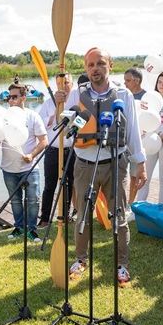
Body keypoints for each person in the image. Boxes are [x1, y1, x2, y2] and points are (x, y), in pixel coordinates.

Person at [60, 48, 146, 285]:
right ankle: (80, 259)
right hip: (84, 163)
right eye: (90, 65)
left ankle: (122, 265)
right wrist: (67, 118)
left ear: (110, 65)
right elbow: (68, 132)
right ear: (86, 68)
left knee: (119, 216)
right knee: (82, 215)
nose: (95, 69)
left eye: (100, 63)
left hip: (116, 163)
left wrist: (140, 164)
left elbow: (132, 132)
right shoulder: (76, 94)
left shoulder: (123, 94)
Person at [0, 83, 48, 243]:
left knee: (33, 200)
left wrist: (31, 154)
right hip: (8, 169)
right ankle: (19, 228)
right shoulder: (3, 117)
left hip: (30, 168)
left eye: (14, 97)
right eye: (9, 97)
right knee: (15, 201)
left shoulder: (32, 116)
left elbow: (44, 141)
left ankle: (32, 230)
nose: (10, 100)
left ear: (24, 97)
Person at [38, 72, 79, 227]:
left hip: (71, 150)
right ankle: (45, 218)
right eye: (60, 84)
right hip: (53, 150)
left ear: (72, 84)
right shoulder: (49, 103)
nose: (64, 87)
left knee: (69, 184)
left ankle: (65, 215)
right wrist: (56, 106)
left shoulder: (77, 99)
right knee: (50, 185)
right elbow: (43, 125)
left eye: (67, 83)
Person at [136, 71, 163, 203]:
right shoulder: (149, 99)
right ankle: (140, 207)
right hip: (150, 141)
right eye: (159, 82)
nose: (162, 85)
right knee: (145, 175)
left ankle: (161, 207)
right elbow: (142, 118)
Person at [124, 67, 147, 208]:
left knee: (134, 175)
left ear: (137, 80)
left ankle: (130, 204)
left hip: (138, 143)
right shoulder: (124, 96)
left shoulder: (146, 97)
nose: (125, 83)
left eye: (128, 80)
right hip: (122, 143)